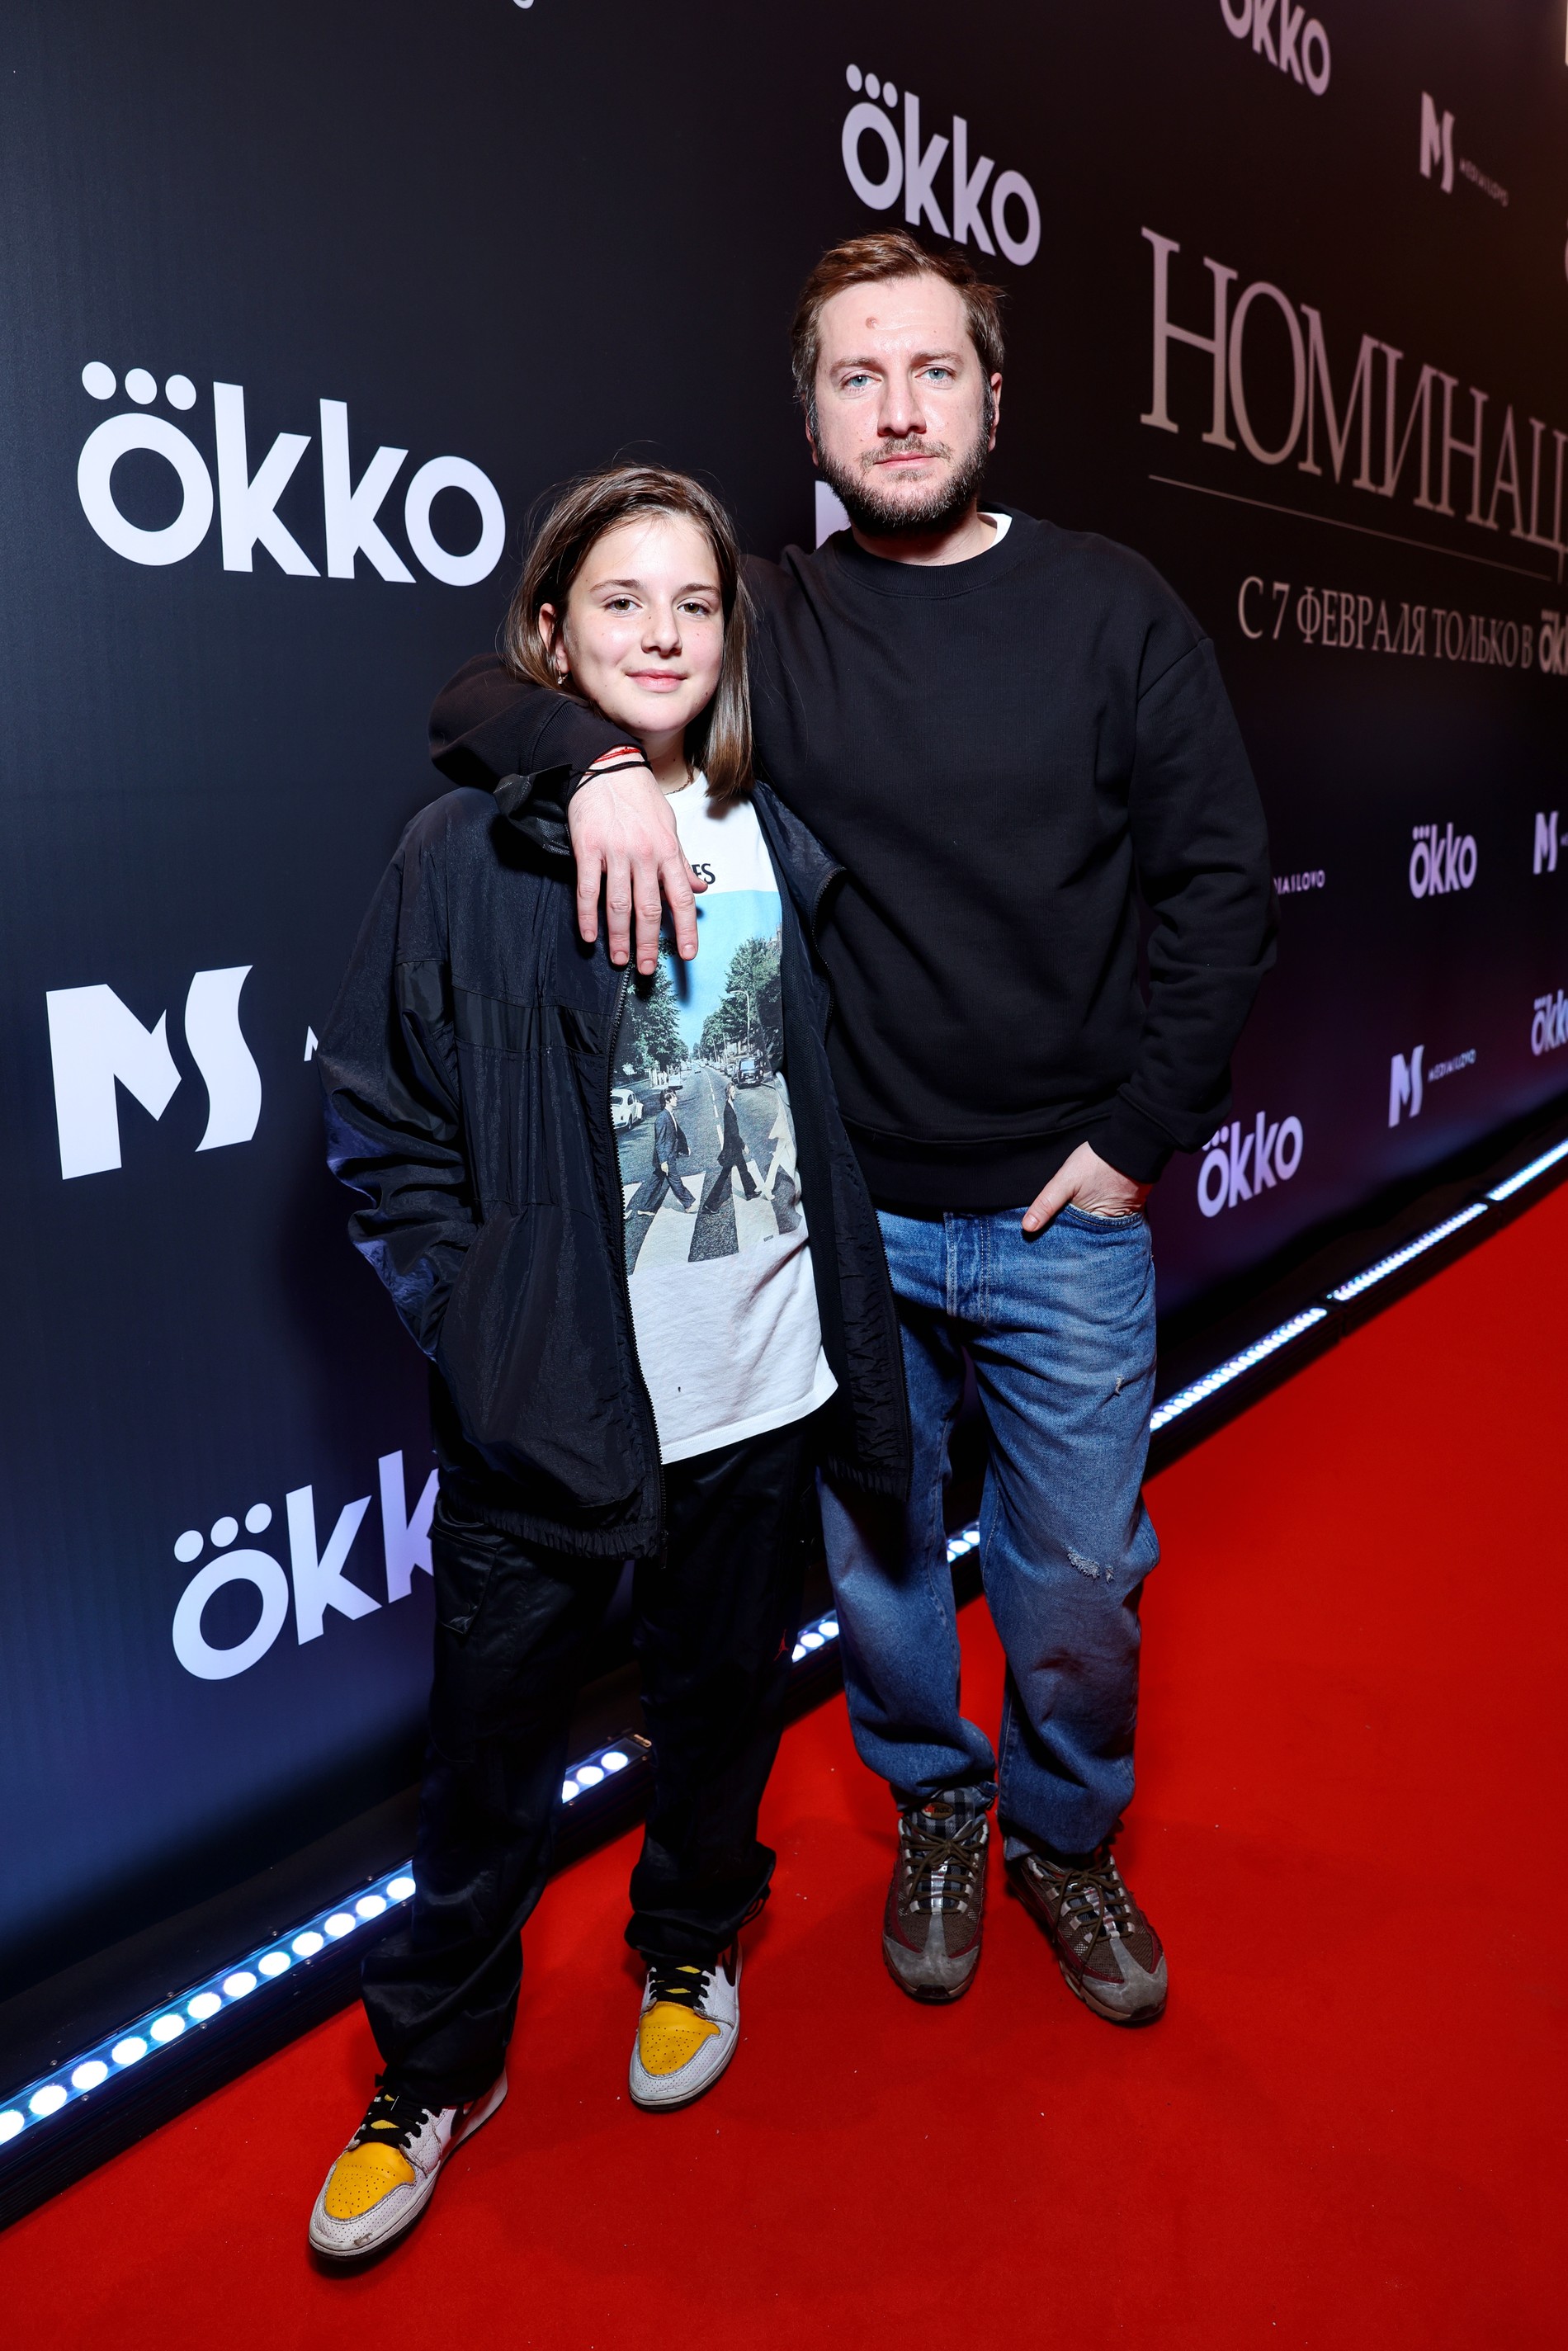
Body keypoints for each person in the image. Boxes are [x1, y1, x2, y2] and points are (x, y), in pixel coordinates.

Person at [430, 230, 1276, 2032]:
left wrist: (1138, 1135)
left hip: (1065, 1214)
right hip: (844, 1224)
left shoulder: (1112, 605)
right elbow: (490, 684)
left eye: (933, 371)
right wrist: (589, 762)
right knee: (883, 1570)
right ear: (809, 420)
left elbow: (1220, 883)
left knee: (1076, 1583)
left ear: (993, 399)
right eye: (856, 377)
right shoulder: (761, 613)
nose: (898, 409)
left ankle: (1064, 1830)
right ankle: (938, 1807)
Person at [309, 465, 907, 2262]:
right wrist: (480, 1322)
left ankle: (689, 1942)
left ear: (730, 637)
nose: (661, 632)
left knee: (720, 1705)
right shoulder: (462, 849)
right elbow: (379, 1122)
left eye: (694, 602)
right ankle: (436, 2065)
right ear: (551, 630)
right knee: (488, 1765)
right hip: (549, 1403)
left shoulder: (774, 832)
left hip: (763, 1381)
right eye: (621, 599)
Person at [649, 1087, 696, 1213]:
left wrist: (684, 1148)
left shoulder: (670, 1114)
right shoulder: (662, 1118)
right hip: (666, 1156)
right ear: (667, 1100)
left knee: (655, 1182)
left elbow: (677, 1134)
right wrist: (663, 1162)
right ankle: (688, 1204)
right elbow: (659, 1142)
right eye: (674, 1097)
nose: (676, 1099)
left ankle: (644, 1207)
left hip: (670, 1153)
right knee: (675, 1181)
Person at [714, 1079, 761, 1201]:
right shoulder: (728, 1110)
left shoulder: (730, 1106)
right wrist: (744, 1146)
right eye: (733, 1091)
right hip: (732, 1147)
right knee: (725, 1175)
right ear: (729, 1093)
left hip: (733, 1146)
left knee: (743, 1168)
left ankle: (750, 1192)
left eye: (735, 1091)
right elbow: (733, 1133)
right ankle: (711, 1202)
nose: (735, 1093)